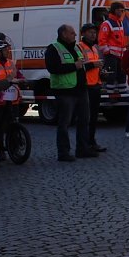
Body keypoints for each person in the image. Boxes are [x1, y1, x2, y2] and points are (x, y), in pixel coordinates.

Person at [45, 24, 94, 161]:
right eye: (72, 33)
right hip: (64, 91)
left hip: (81, 89)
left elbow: (82, 65)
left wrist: (89, 65)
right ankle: (63, 152)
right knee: (64, 123)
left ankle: (82, 149)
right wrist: (74, 66)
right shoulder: (54, 48)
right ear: (64, 34)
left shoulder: (76, 48)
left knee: (84, 120)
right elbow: (53, 68)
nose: (75, 35)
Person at [76, 23, 106, 152]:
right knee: (85, 118)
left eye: (95, 32)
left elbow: (95, 67)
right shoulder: (79, 47)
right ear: (83, 33)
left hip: (95, 85)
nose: (93, 34)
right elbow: (79, 66)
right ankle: (84, 144)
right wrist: (94, 65)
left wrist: (102, 73)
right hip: (85, 86)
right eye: (90, 32)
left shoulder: (94, 48)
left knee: (93, 117)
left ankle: (92, 141)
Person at [0, 40, 23, 164]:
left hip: (11, 98)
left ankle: (14, 149)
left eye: (8, 49)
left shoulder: (10, 63)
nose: (8, 52)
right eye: (6, 50)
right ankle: (1, 150)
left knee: (13, 123)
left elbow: (18, 74)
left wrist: (23, 79)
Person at [97, 1, 128, 90]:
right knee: (111, 77)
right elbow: (102, 40)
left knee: (121, 76)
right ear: (115, 10)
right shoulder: (107, 24)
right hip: (111, 56)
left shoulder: (120, 23)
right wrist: (108, 52)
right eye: (121, 10)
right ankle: (110, 94)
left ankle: (122, 93)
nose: (122, 12)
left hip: (120, 56)